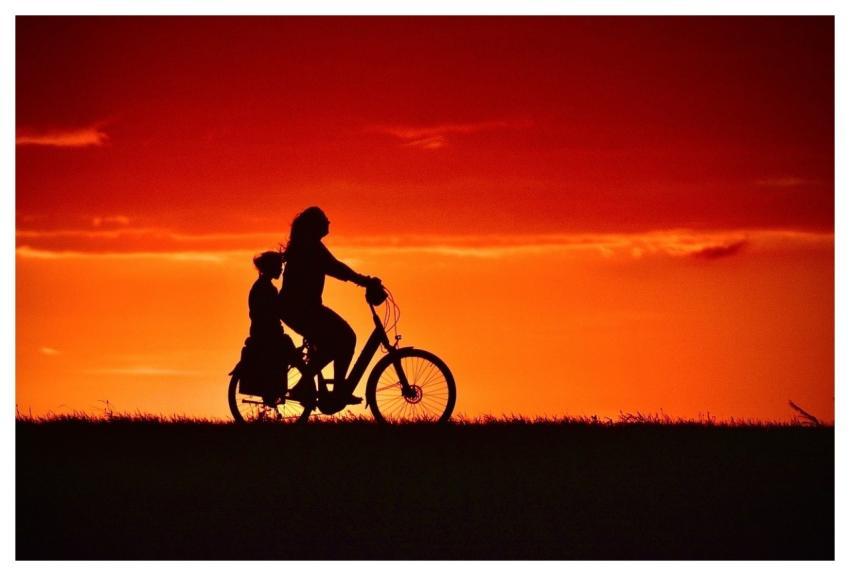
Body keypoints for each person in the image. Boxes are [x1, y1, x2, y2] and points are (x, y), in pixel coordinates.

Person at [278, 206, 381, 410]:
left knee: (334, 343)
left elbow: (335, 267)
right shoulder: (310, 247)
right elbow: (336, 268)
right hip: (301, 310)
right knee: (346, 338)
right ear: (315, 226)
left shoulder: (308, 245)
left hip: (301, 309)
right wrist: (365, 281)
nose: (329, 222)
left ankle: (323, 387)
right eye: (325, 219)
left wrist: (363, 281)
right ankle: (332, 388)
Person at [246, 250, 292, 405]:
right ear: (271, 268)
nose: (281, 269)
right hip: (267, 335)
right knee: (291, 351)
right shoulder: (265, 289)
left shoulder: (261, 287)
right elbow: (269, 313)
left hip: (265, 332)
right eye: (278, 267)